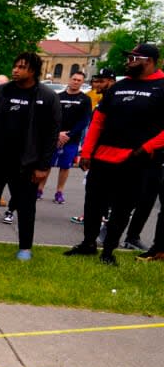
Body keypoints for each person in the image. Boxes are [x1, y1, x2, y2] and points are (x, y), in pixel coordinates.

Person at [63, 43, 164, 265]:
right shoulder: (119, 87)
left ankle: (108, 250)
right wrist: (87, 152)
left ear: (148, 61)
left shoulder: (161, 86)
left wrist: (146, 148)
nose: (128, 62)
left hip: (135, 159)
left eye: (133, 58)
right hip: (103, 156)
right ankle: (88, 243)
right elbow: (98, 121)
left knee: (122, 207)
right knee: (93, 203)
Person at [0, 52, 61, 261]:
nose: (15, 70)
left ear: (33, 71)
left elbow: (51, 135)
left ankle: (25, 248)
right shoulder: (0, 92)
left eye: (21, 67)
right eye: (15, 66)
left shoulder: (47, 96)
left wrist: (43, 166)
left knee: (26, 206)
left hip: (27, 163)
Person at [38, 71, 91, 204]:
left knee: (65, 166)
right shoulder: (57, 96)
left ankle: (59, 192)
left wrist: (69, 134)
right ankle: (39, 189)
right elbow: (50, 117)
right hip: (54, 137)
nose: (76, 82)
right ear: (69, 79)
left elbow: (84, 121)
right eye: (74, 79)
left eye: (79, 80)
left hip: (71, 139)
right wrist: (57, 133)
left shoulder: (85, 100)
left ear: (82, 83)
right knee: (47, 164)